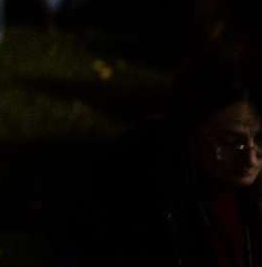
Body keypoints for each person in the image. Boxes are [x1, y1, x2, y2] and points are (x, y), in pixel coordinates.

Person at [81, 47, 262, 266]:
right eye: (232, 142)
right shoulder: (150, 206)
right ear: (190, 132)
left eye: (258, 139)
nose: (251, 159)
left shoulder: (248, 198)